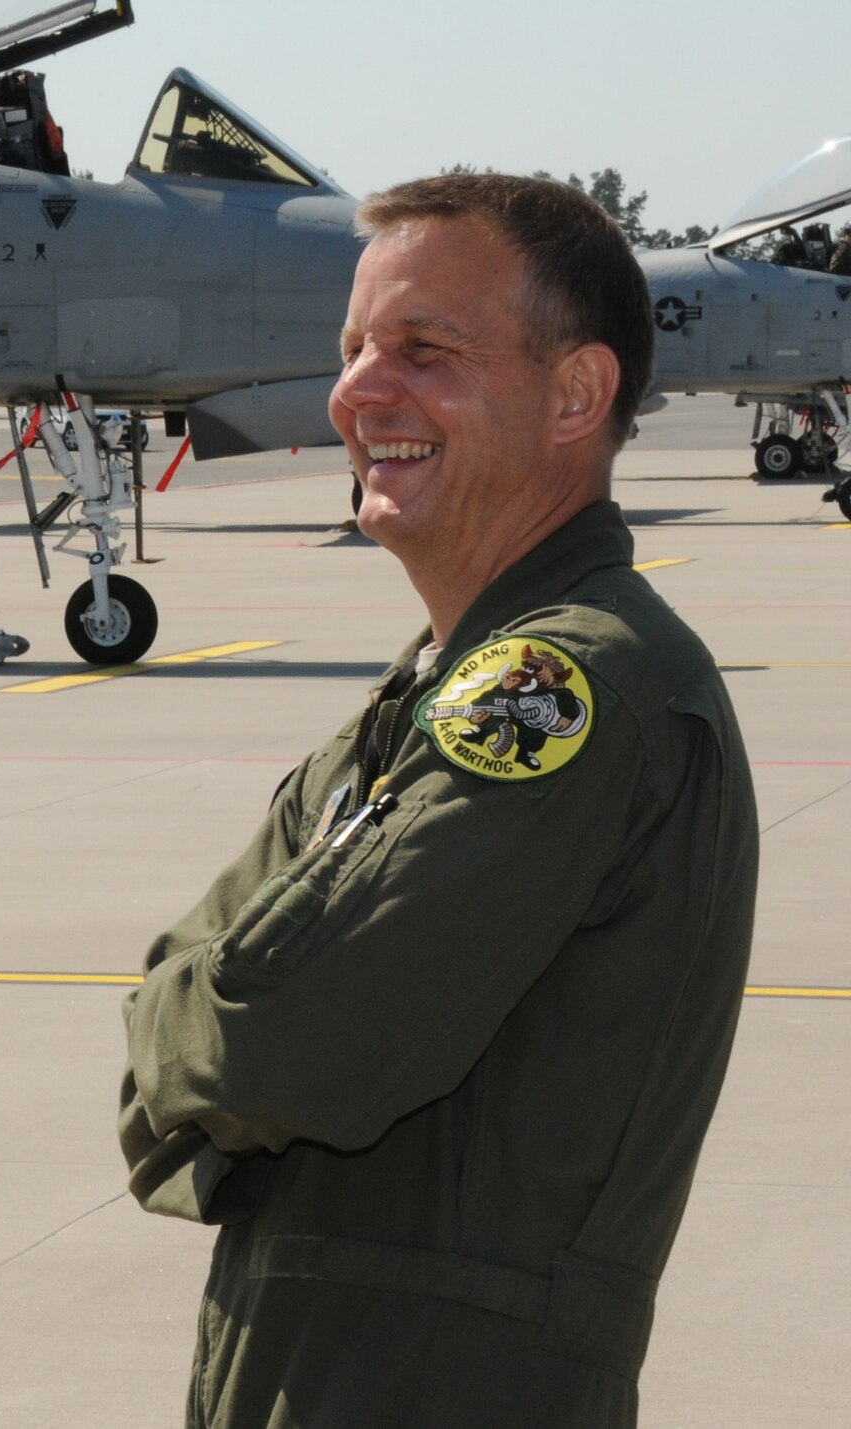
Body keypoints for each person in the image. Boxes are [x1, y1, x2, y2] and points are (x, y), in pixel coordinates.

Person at [118, 173, 757, 1428]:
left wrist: (175, 1026)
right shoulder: (438, 682)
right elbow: (205, 1003)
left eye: (422, 350)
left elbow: (273, 1041)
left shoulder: (560, 687)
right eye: (352, 348)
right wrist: (190, 1019)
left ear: (575, 393)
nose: (356, 391)